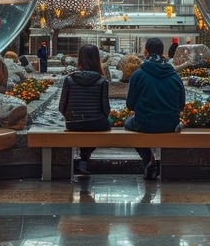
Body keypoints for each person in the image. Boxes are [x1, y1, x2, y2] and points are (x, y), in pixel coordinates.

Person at [124, 37, 186, 180]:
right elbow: (181, 105)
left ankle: (147, 158)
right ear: (163, 52)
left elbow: (130, 105)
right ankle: (169, 167)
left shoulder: (137, 75)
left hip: (144, 123)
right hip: (171, 125)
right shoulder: (175, 76)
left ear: (146, 52)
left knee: (128, 124)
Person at [59, 44, 110, 175]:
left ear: (80, 58)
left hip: (74, 124)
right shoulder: (102, 81)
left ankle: (84, 161)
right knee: (96, 124)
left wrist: (72, 116)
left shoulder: (69, 79)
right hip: (97, 124)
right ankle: (84, 160)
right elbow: (106, 110)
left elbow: (61, 107)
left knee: (84, 125)